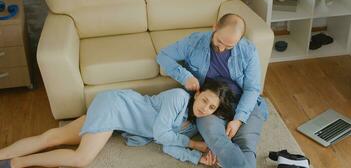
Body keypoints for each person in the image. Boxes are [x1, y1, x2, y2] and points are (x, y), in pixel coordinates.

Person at [0, 79, 235, 168]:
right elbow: (161, 134)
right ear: (198, 93)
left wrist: (197, 157)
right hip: (116, 106)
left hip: (116, 115)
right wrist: (193, 145)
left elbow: (168, 145)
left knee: (53, 137)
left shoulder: (193, 125)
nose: (205, 107)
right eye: (204, 100)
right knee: (81, 158)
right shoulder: (178, 98)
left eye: (211, 107)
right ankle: (18, 163)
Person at [157, 13, 269, 168]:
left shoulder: (248, 51)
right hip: (210, 105)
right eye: (219, 42)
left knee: (246, 145)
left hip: (242, 102)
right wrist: (185, 76)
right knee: (217, 140)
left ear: (240, 39)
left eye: (229, 46)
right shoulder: (194, 42)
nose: (222, 49)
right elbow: (163, 55)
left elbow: (252, 88)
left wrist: (238, 119)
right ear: (215, 27)